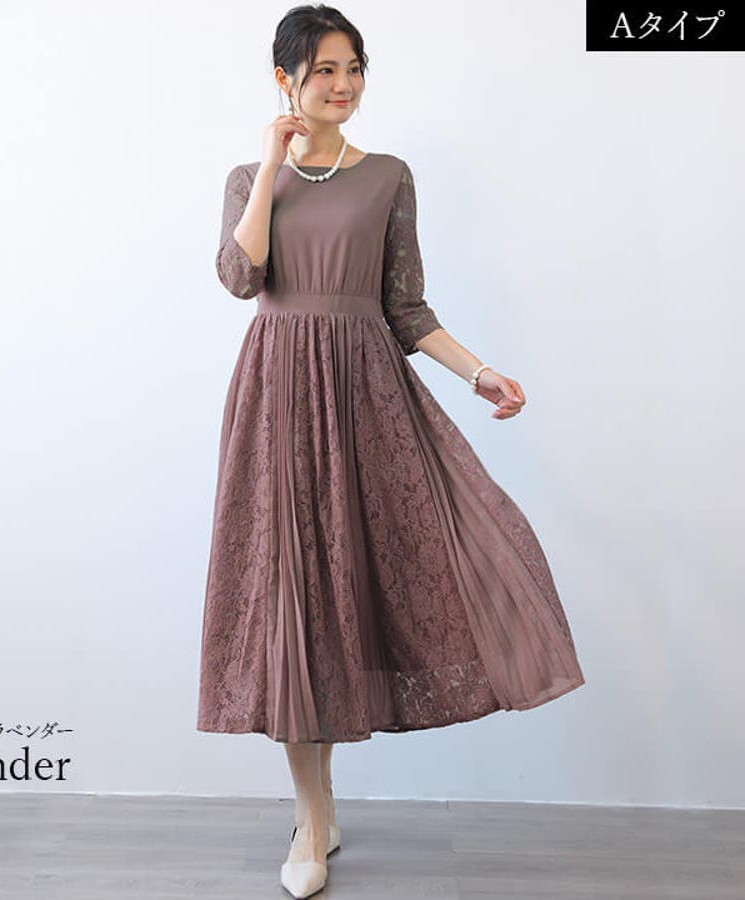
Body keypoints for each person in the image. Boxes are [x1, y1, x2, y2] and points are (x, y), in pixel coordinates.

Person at [196, 5, 585, 898]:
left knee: (383, 573)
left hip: (368, 396)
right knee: (293, 598)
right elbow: (240, 277)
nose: (343, 85)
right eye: (324, 70)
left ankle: (322, 809)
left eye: (354, 68)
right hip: (277, 399)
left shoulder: (389, 178)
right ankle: (313, 818)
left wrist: (480, 372)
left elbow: (406, 308)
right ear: (286, 79)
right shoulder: (248, 179)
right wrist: (269, 164)